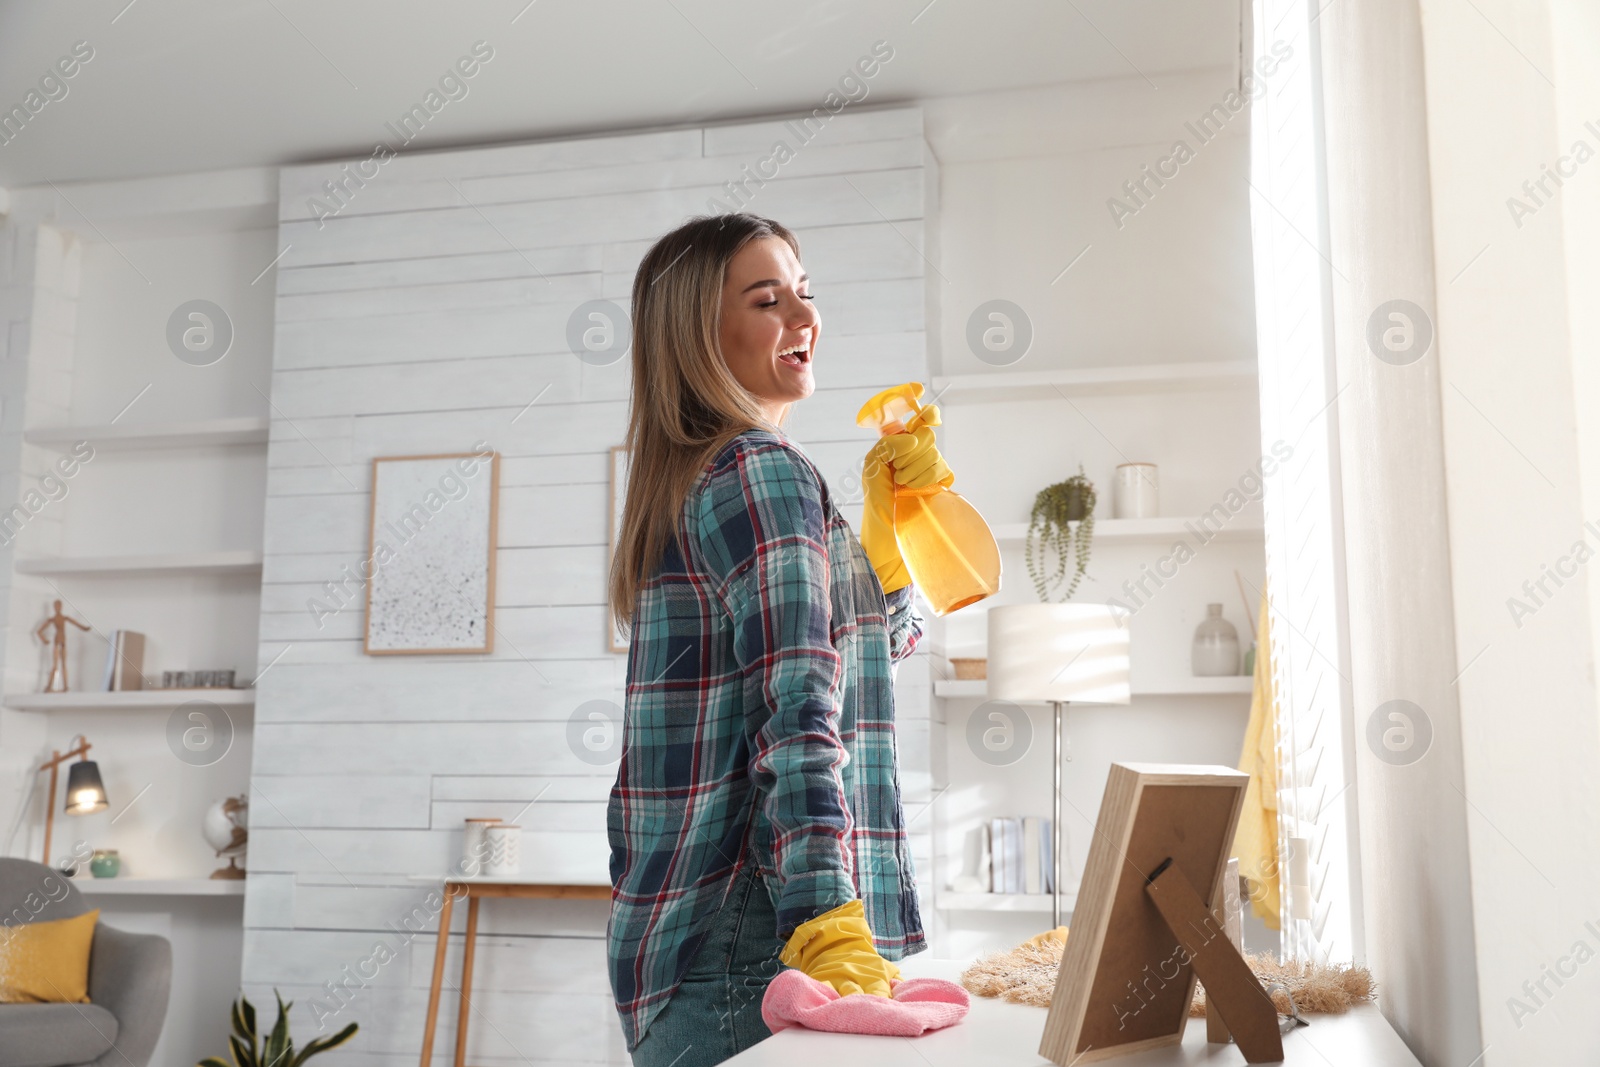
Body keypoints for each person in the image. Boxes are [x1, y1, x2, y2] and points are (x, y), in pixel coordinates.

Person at [605, 213, 953, 1067]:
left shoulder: (713, 473)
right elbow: (799, 707)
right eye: (769, 300)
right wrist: (826, 913)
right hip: (756, 933)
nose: (804, 318)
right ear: (698, 336)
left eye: (805, 292)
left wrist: (889, 545)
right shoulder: (762, 471)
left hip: (709, 938)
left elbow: (838, 665)